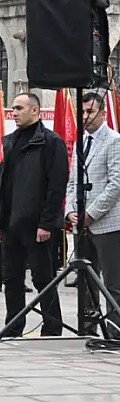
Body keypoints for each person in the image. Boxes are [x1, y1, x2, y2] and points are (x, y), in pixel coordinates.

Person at [0, 92, 67, 337]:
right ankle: (13, 327)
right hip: (11, 223)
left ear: (35, 111)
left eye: (19, 108)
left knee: (43, 278)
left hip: (37, 224)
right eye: (13, 108)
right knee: (11, 278)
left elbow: (57, 185)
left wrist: (46, 223)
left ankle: (52, 327)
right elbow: (5, 184)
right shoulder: (10, 141)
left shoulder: (50, 141)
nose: (14, 113)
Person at [65, 92, 120, 336]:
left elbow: (116, 184)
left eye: (90, 112)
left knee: (112, 282)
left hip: (107, 224)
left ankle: (115, 330)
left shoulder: (114, 141)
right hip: (81, 223)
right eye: (82, 112)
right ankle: (88, 329)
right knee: (86, 280)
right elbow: (72, 182)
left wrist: (91, 213)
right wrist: (70, 212)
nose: (85, 117)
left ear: (103, 113)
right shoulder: (80, 142)